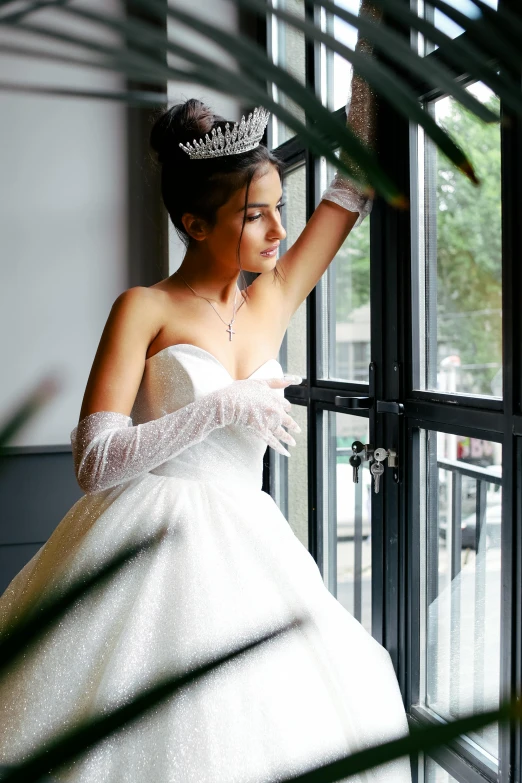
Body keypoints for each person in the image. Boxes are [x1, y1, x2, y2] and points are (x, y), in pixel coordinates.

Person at [0, 89, 411, 781]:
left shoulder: (275, 293)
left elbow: (354, 184)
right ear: (194, 222)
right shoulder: (144, 307)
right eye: (256, 216)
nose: (279, 230)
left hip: (253, 545)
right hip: (149, 542)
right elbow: (95, 462)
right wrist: (215, 409)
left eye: (280, 206)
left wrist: (374, 43)